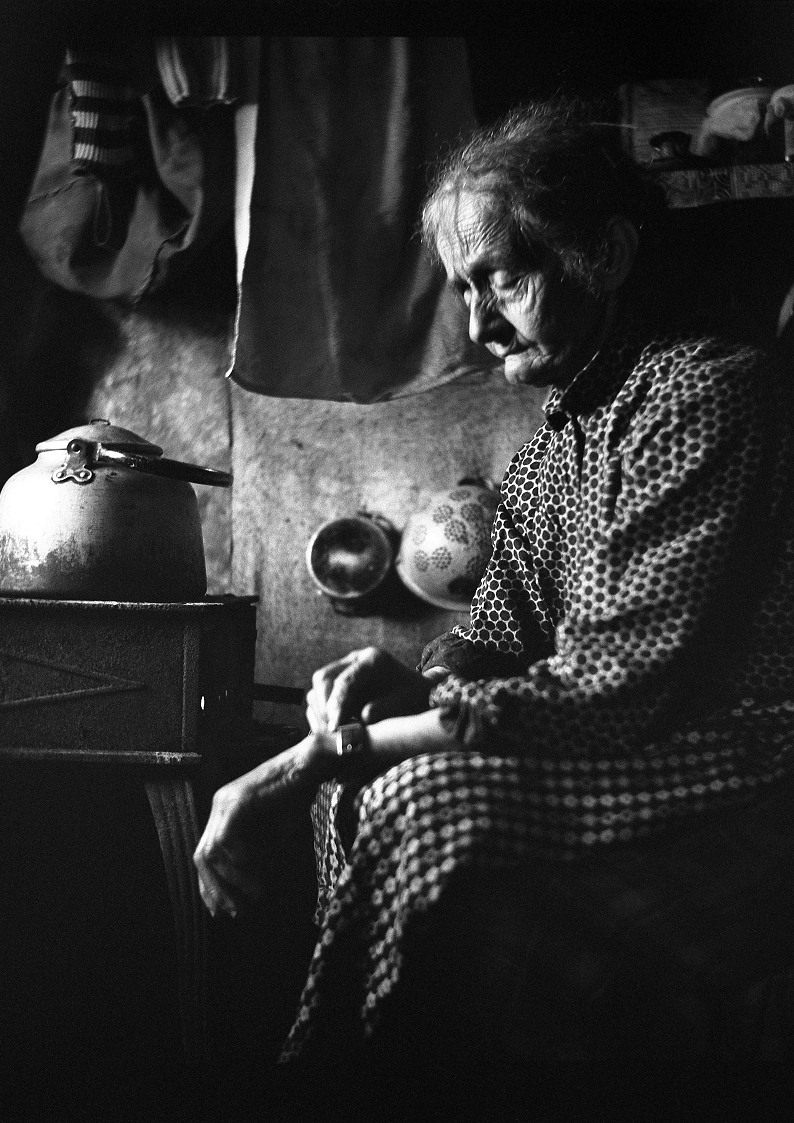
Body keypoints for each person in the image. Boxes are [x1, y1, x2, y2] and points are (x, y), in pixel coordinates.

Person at [194, 94, 794, 1105]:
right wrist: (414, 679)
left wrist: (313, 756)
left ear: (605, 253)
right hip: (626, 748)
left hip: (739, 755)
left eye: (502, 278)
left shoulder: (704, 393)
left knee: (421, 800)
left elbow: (613, 690)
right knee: (367, 790)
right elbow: (491, 638)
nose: (476, 325)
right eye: (462, 290)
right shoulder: (547, 455)